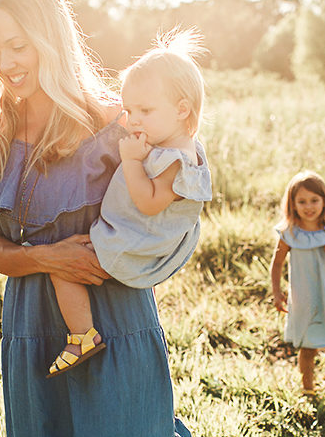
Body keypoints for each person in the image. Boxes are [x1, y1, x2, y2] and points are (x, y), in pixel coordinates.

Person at [0, 0, 215, 437]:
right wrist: (51, 257)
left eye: (18, 45)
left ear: (49, 39)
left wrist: (152, 255)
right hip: (35, 317)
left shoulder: (113, 119)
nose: (5, 63)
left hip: (112, 308)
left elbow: (173, 193)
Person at [47, 29, 212, 378]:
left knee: (62, 268)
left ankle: (82, 336)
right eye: (129, 109)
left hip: (129, 243)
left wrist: (132, 161)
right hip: (139, 237)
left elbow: (149, 202)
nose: (133, 120)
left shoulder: (174, 160)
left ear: (182, 109)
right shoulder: (179, 147)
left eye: (145, 110)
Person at [269, 171, 325, 396]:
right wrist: (277, 293)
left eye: (314, 200)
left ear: (324, 201)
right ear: (293, 204)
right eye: (302, 201)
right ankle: (308, 390)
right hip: (304, 299)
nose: (309, 207)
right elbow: (277, 264)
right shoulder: (290, 234)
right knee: (308, 348)